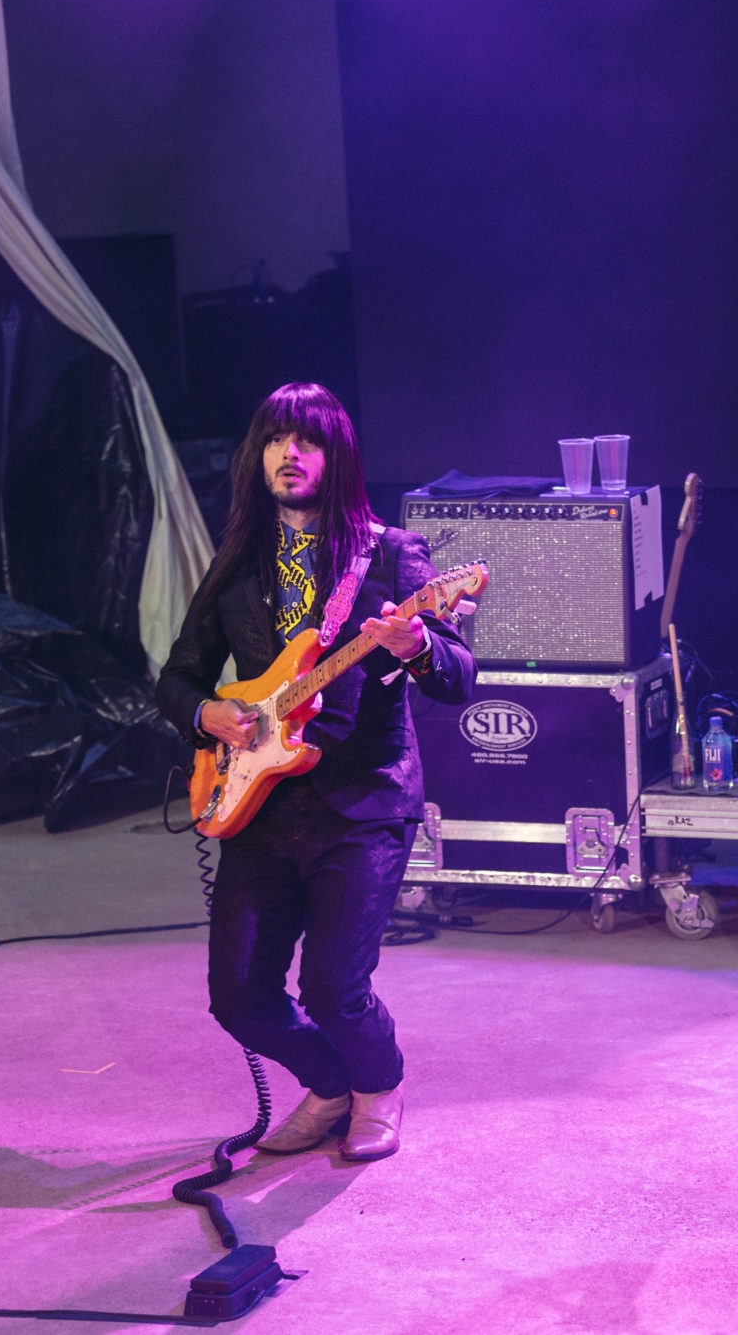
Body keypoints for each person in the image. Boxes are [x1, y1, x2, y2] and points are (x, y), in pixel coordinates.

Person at [157, 383, 475, 1163]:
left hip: (362, 802)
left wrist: (418, 647)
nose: (288, 454)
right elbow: (177, 676)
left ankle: (380, 1086)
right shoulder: (234, 562)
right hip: (260, 806)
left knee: (334, 985)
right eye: (273, 439)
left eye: (306, 440)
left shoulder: (391, 553)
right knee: (238, 995)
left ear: (336, 456)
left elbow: (460, 676)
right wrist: (211, 716)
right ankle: (331, 1086)